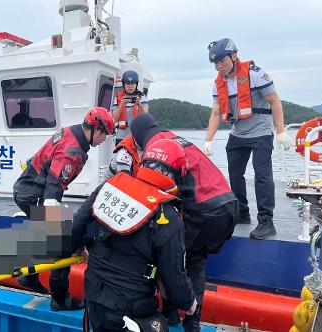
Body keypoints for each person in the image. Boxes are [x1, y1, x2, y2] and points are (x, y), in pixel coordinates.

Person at [72, 139, 197, 332]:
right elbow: (174, 275)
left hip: (93, 291)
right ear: (176, 174)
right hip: (129, 305)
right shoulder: (167, 215)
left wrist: (79, 248)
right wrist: (188, 303)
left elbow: (78, 221)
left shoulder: (111, 186)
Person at [131, 113, 238, 331]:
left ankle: (171, 314)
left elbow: (154, 193)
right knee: (195, 260)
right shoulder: (176, 138)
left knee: (167, 257)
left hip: (203, 210)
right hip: (228, 205)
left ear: (138, 138)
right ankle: (191, 322)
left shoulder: (156, 149)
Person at [13, 106, 115, 311]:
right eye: (104, 133)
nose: (105, 139)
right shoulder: (72, 151)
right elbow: (52, 189)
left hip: (27, 188)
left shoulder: (71, 132)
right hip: (34, 193)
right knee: (62, 242)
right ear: (95, 129)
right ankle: (60, 298)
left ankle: (29, 277)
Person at [203, 38, 292, 240]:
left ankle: (266, 221)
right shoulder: (219, 83)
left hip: (261, 132)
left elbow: (274, 101)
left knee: (262, 176)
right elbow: (216, 112)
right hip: (238, 134)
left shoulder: (255, 75)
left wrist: (280, 131)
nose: (219, 67)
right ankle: (241, 213)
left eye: (222, 62)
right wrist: (208, 139)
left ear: (234, 56)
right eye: (215, 64)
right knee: (234, 175)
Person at [112, 70, 149, 146]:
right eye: (127, 84)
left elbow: (145, 118)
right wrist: (122, 105)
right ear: (123, 84)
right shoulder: (117, 98)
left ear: (136, 84)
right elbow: (114, 119)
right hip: (121, 137)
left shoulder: (142, 97)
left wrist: (140, 105)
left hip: (137, 137)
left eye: (132, 83)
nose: (130, 86)